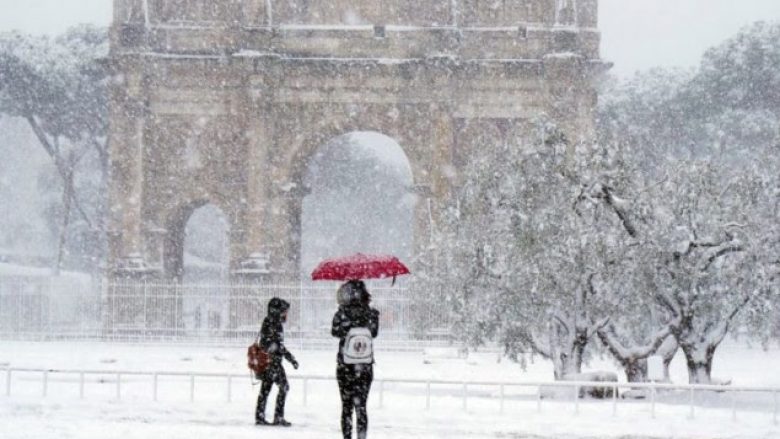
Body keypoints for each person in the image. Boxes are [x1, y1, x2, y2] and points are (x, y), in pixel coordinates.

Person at [331, 280, 380, 439]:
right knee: (361, 407)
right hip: (364, 365)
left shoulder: (342, 312)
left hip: (345, 364)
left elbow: (335, 332)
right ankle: (361, 437)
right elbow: (373, 333)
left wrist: (346, 322)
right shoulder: (370, 313)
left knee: (346, 407)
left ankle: (347, 437)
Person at [255, 297, 299, 426]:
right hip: (272, 363)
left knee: (265, 390)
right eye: (284, 311)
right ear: (277, 311)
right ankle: (277, 417)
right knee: (284, 387)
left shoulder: (269, 321)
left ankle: (260, 416)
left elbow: (272, 344)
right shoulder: (273, 323)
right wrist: (291, 359)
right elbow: (276, 345)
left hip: (268, 361)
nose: (286, 314)